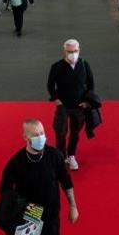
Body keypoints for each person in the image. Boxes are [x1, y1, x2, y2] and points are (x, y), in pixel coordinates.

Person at [0, 119, 78, 235]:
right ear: (25, 137)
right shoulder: (16, 162)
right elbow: (4, 188)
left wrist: (73, 205)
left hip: (51, 212)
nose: (40, 137)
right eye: (35, 135)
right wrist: (17, 205)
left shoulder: (55, 155)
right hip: (30, 213)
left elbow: (66, 181)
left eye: (42, 133)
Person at [47, 39, 94, 171]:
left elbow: (91, 84)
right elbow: (50, 86)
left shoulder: (84, 65)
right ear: (64, 51)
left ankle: (71, 155)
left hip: (79, 107)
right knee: (60, 132)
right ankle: (61, 157)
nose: (72, 54)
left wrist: (87, 101)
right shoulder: (56, 67)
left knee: (75, 133)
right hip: (63, 107)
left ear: (79, 50)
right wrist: (56, 100)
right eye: (69, 51)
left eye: (75, 51)